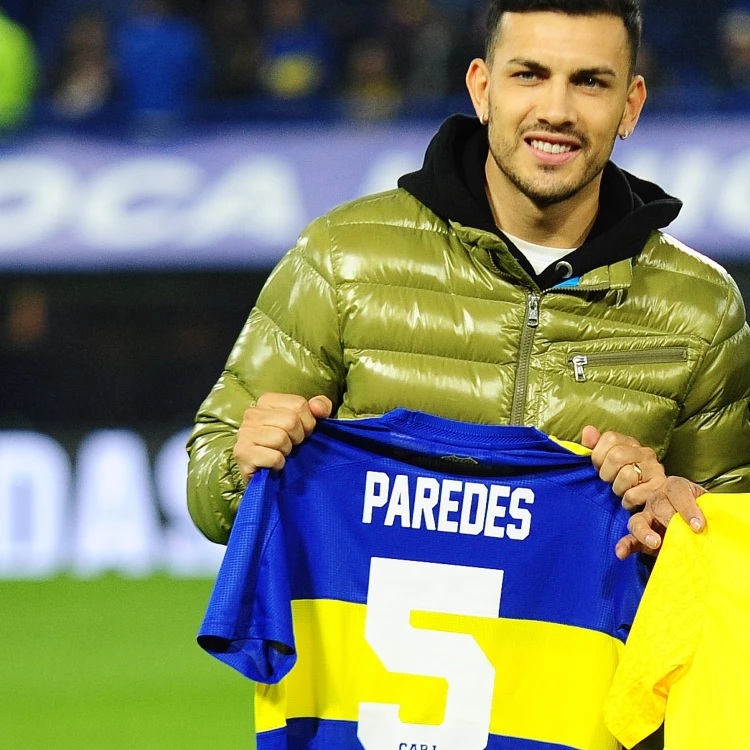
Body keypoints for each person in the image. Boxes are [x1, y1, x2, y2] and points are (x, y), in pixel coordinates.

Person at [187, 0, 750, 558]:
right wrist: (241, 467)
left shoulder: (701, 306)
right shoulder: (344, 257)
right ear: (483, 88)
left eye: (590, 82)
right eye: (529, 75)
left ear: (630, 106)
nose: (556, 110)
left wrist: (686, 524)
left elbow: (730, 555)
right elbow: (209, 484)